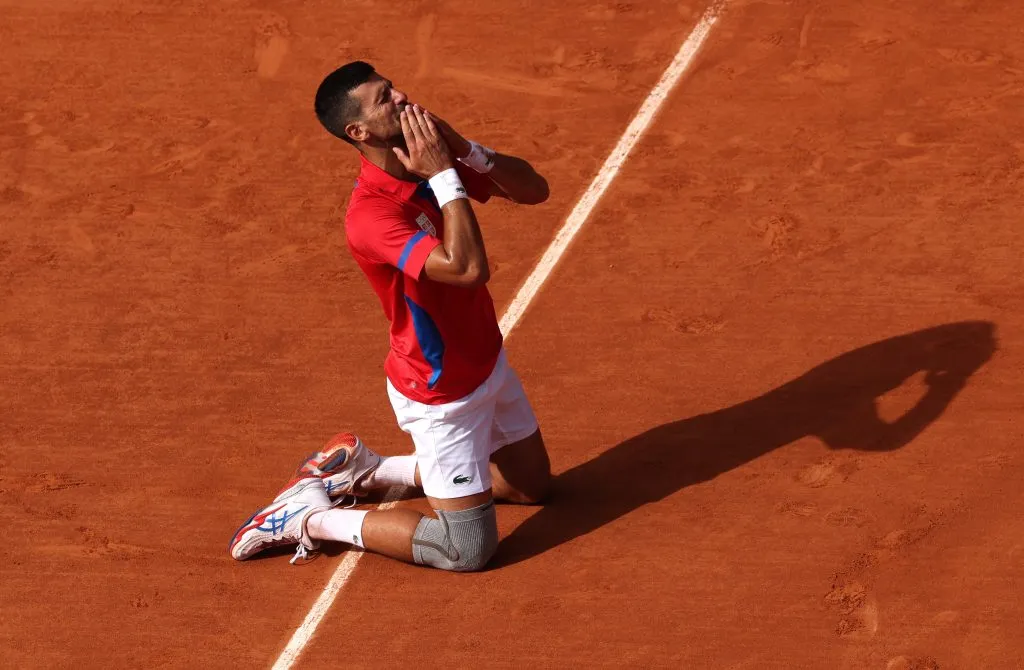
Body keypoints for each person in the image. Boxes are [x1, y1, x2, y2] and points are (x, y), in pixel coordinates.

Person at [229, 61, 552, 571]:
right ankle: (309, 517)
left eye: (393, 87)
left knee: (531, 487)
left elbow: (535, 190)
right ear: (357, 132)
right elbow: (467, 269)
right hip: (440, 391)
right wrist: (446, 176)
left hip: (486, 362)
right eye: (384, 99)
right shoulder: (372, 215)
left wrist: (463, 149)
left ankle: (368, 470)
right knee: (465, 550)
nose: (402, 98)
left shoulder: (424, 160)